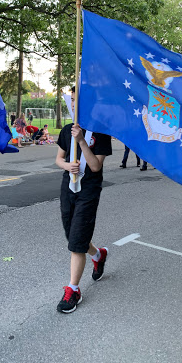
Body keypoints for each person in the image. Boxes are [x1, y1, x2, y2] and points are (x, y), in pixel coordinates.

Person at [55, 87, 112, 314]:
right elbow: (58, 158)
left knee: (77, 240)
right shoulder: (67, 129)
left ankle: (73, 289)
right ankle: (99, 255)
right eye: (72, 99)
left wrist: (81, 142)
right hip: (68, 187)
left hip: (88, 190)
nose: (74, 103)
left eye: (78, 100)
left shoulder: (101, 131)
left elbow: (96, 166)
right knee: (73, 236)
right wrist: (67, 165)